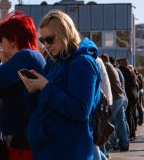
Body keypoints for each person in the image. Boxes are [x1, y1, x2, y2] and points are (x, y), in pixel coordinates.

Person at [18, 10, 101, 160]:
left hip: (68, 150)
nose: (46, 46)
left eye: (49, 39)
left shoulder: (82, 63)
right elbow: (39, 107)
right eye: (42, 41)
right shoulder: (54, 64)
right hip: (48, 149)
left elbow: (81, 109)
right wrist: (32, 91)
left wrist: (45, 86)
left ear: (65, 33)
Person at [0, 10, 46, 160]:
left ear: (13, 40)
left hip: (23, 144)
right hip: (25, 140)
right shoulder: (32, 56)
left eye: (1, 38)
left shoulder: (25, 56)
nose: (0, 43)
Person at [118, 58, 139, 140]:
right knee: (131, 115)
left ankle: (130, 134)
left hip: (129, 95)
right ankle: (132, 133)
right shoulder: (131, 72)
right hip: (134, 95)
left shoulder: (122, 71)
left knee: (127, 115)